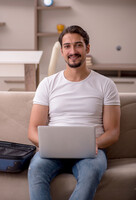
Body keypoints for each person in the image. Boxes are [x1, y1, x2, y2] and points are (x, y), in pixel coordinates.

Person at [28, 25, 120, 200]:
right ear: (62, 51)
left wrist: (95, 143)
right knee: (36, 169)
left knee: (91, 172)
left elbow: (113, 132)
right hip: (53, 151)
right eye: (67, 46)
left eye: (78, 45)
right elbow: (32, 129)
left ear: (87, 48)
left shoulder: (106, 85)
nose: (73, 51)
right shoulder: (47, 84)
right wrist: (49, 144)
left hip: (91, 151)